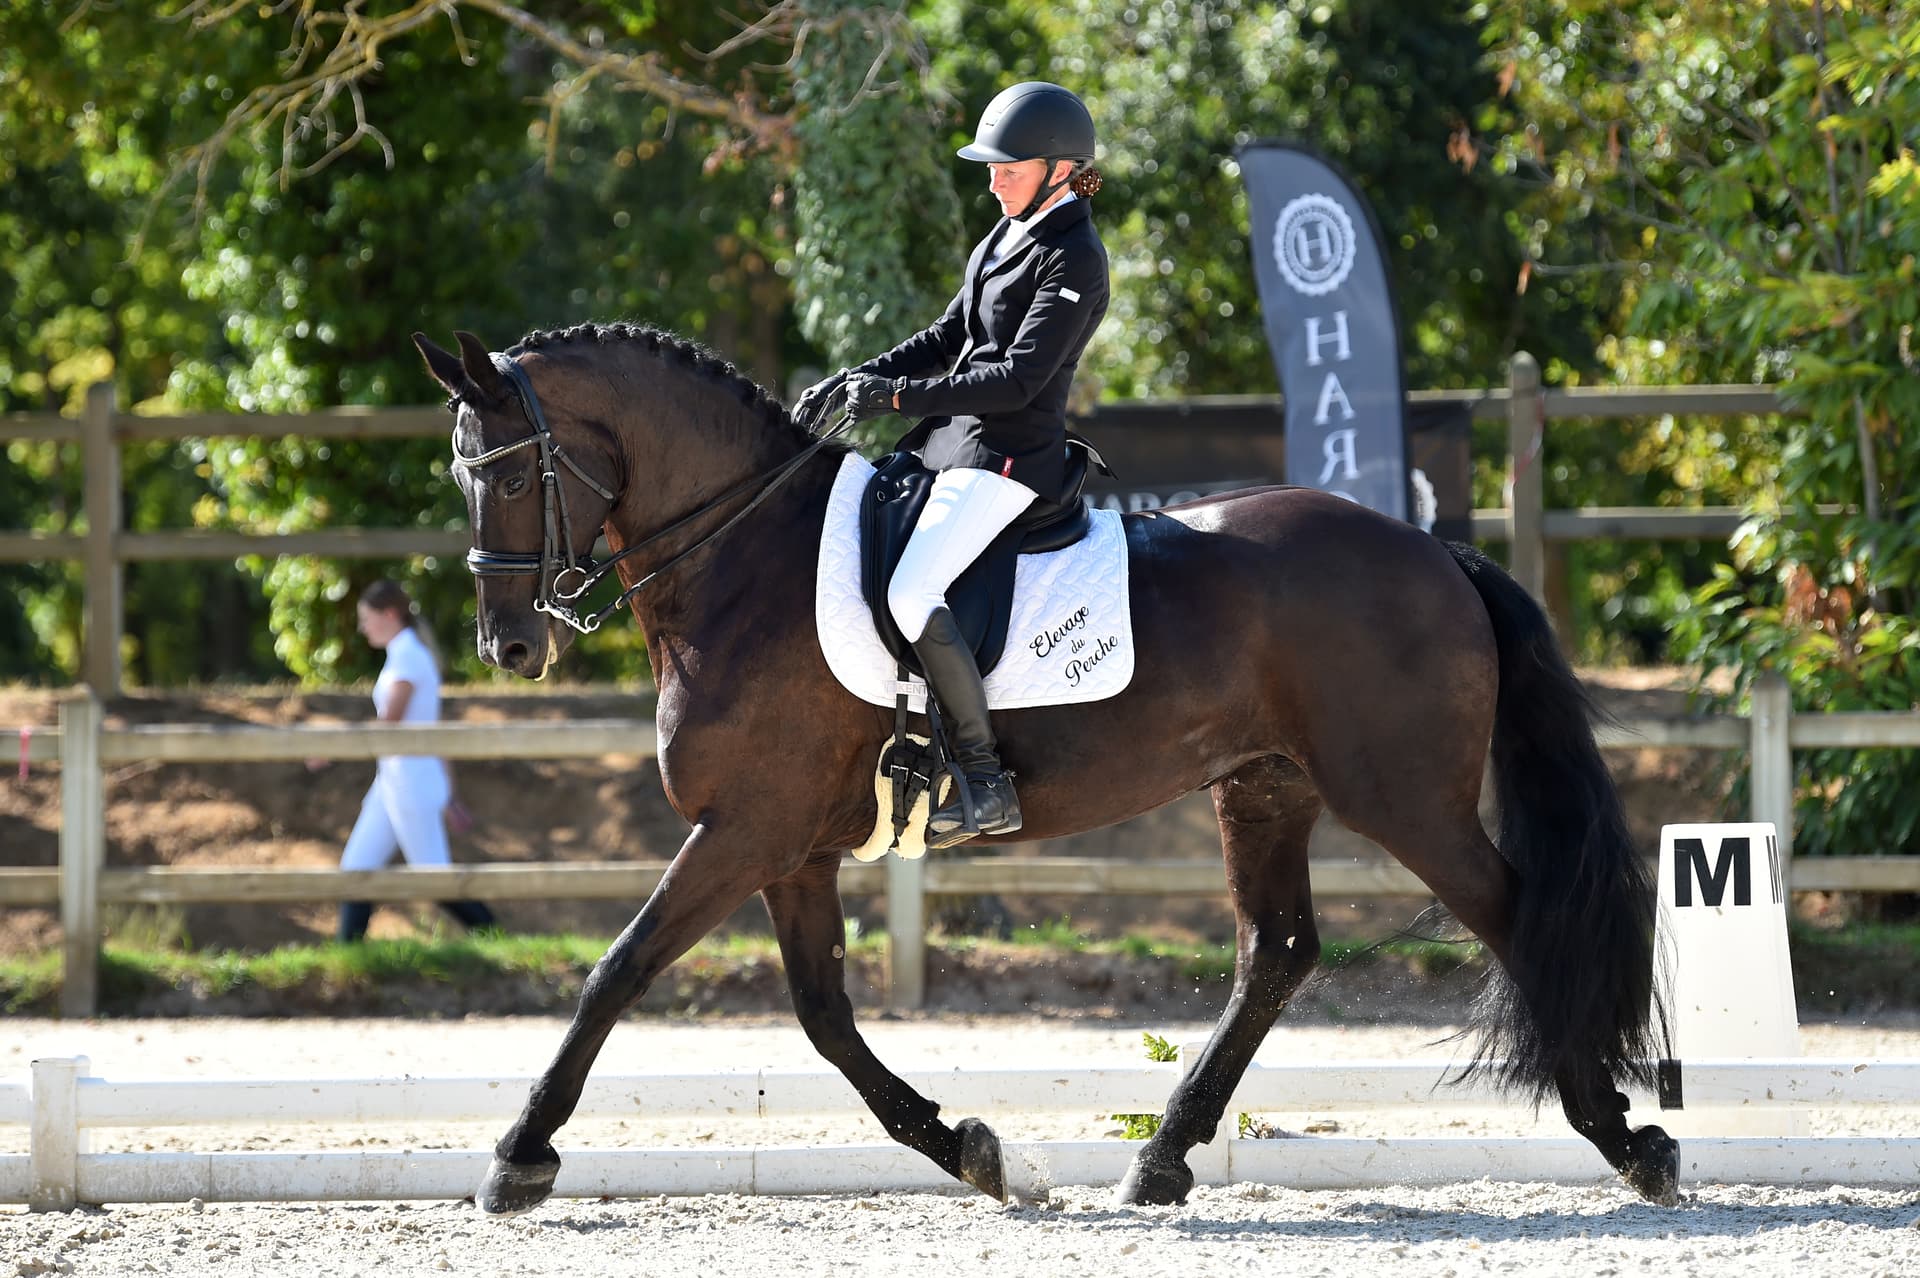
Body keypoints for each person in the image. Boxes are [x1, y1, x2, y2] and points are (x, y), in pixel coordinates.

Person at [794, 81, 1110, 848]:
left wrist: (896, 396)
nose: (994, 179)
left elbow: (1016, 380)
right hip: (949, 447)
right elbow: (946, 338)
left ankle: (983, 776)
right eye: (991, 167)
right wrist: (855, 379)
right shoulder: (1005, 235)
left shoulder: (1074, 258)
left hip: (1009, 458)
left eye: (1010, 167)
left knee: (911, 592)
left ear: (1062, 169)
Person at [335, 579, 497, 941]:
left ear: (390, 614)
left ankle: (498, 940)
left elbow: (390, 721)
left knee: (434, 877)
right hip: (393, 780)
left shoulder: (408, 656)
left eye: (367, 618)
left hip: (411, 782)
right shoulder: (402, 654)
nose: (363, 627)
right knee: (356, 868)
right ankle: (346, 957)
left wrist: (333, 746)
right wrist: (450, 792)